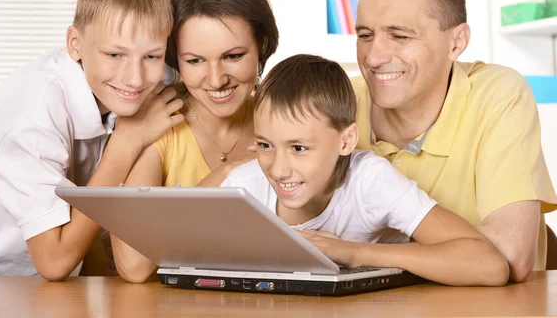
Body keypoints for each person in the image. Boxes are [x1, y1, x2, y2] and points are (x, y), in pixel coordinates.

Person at [0, 0, 184, 280]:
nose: (134, 78)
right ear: (75, 44)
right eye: (114, 55)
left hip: (63, 284)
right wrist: (126, 143)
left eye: (151, 56)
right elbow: (54, 261)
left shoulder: (139, 79)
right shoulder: (33, 117)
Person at [201, 54, 508, 286]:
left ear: (346, 140)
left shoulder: (369, 180)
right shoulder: (244, 186)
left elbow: (488, 265)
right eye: (266, 145)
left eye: (299, 148)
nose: (279, 170)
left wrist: (356, 253)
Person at [352, 0, 557, 282]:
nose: (374, 57)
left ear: (457, 42)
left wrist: (360, 252)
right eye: (364, 35)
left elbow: (510, 254)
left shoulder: (498, 94)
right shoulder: (337, 100)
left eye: (401, 36)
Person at [110, 0, 279, 283]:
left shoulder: (288, 119)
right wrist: (228, 174)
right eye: (195, 61)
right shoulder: (157, 126)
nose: (216, 79)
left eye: (233, 56)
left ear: (262, 44)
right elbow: (134, 266)